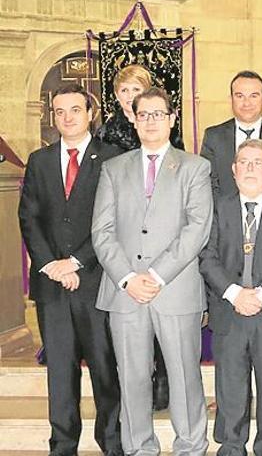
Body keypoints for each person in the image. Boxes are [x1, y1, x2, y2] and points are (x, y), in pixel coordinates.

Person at [92, 87, 212, 455]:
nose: (151, 121)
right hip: (124, 291)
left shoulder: (194, 167)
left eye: (159, 114)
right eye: (143, 114)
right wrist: (128, 278)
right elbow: (102, 231)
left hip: (174, 290)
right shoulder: (113, 168)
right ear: (133, 118)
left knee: (184, 378)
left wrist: (156, 276)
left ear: (173, 119)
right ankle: (140, 448)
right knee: (132, 380)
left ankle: (190, 447)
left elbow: (197, 228)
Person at [19, 84, 123, 456]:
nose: (67, 118)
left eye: (75, 110)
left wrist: (77, 261)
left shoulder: (112, 158)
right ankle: (62, 445)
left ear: (89, 113)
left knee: (104, 368)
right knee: (60, 372)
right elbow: (29, 217)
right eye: (60, 112)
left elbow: (114, 222)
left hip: (96, 282)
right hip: (53, 287)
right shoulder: (39, 160)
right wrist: (52, 265)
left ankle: (112, 442)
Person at [199, 138, 262, 455]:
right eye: (244, 162)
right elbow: (207, 257)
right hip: (229, 312)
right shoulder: (218, 206)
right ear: (233, 169)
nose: (251, 168)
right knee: (230, 389)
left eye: (258, 162)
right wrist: (234, 293)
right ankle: (231, 446)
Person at [93, 63, 179, 410]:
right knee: (128, 355)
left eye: (137, 90)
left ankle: (163, 383)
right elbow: (102, 219)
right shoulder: (105, 142)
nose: (131, 98)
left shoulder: (172, 144)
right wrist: (126, 274)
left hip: (164, 264)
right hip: (121, 261)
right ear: (117, 98)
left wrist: (156, 272)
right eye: (125, 91)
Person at [201, 70, 262, 198]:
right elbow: (208, 185)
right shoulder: (214, 137)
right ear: (230, 100)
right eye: (240, 96)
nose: (247, 103)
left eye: (254, 96)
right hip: (225, 215)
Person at [96, 63, 185, 151]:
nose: (130, 95)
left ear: (146, 92)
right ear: (117, 95)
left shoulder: (163, 124)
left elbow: (178, 159)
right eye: (124, 90)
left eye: (136, 89)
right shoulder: (105, 132)